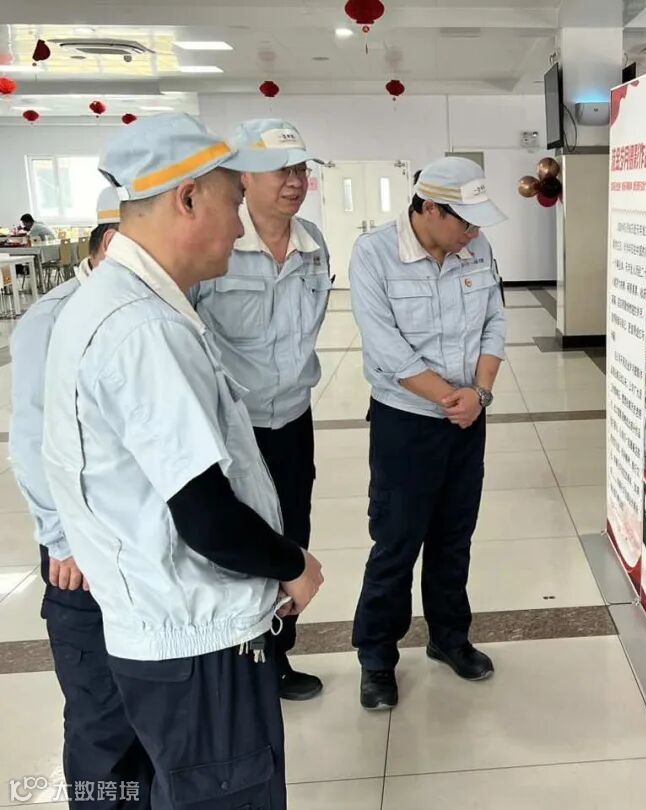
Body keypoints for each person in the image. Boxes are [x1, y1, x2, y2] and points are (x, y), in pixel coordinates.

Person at [41, 113, 325, 809]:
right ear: (188, 198)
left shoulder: (116, 299)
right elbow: (206, 515)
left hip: (163, 625)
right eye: (233, 202)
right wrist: (293, 563)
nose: (238, 225)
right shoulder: (144, 330)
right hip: (196, 641)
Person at [10, 188, 155, 806]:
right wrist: (61, 539)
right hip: (84, 552)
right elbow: (33, 439)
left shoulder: (157, 303)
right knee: (102, 720)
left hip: (144, 545)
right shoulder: (53, 318)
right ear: (110, 243)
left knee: (151, 711)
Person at [349, 156, 507, 711]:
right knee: (396, 541)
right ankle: (376, 658)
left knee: (454, 535)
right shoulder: (374, 253)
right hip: (406, 422)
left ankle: (449, 637)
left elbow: (495, 321)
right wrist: (448, 397)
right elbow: (385, 346)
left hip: (468, 417)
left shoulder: (477, 248)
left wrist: (478, 394)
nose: (475, 232)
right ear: (431, 209)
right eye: (466, 220)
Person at [189, 119, 330, 702]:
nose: (294, 181)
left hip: (293, 419)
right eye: (280, 170)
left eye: (300, 169)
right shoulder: (216, 244)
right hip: (233, 426)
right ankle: (234, 661)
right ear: (244, 176)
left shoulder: (313, 244)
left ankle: (277, 657)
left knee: (292, 533)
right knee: (238, 538)